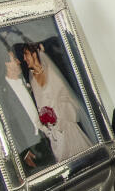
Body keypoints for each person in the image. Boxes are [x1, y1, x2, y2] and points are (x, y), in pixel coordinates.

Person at [6, 38, 91, 166]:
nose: (24, 58)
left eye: (26, 54)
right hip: (52, 134)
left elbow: (69, 99)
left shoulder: (51, 72)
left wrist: (56, 114)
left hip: (67, 126)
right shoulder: (31, 78)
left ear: (34, 54)